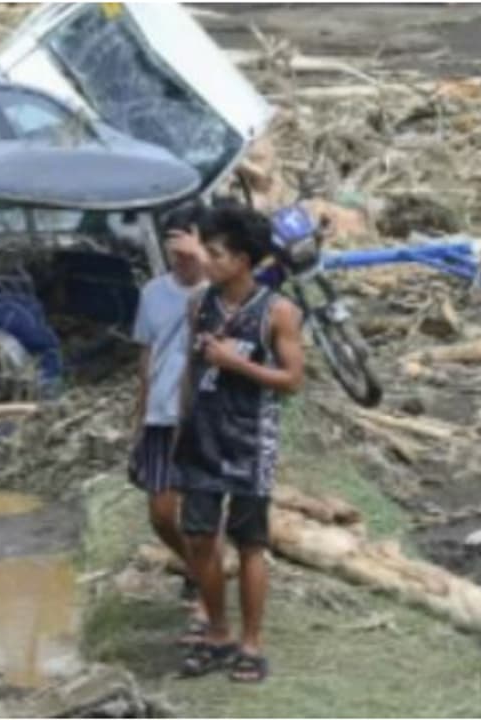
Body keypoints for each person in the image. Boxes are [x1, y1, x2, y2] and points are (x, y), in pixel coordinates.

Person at [175, 205, 305, 684]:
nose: (204, 260)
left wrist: (238, 364)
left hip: (251, 439)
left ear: (244, 260)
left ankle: (252, 643)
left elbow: (292, 380)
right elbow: (191, 371)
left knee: (250, 542)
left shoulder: (278, 311)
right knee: (198, 538)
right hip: (203, 436)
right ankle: (217, 632)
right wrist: (179, 425)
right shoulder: (200, 305)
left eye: (215, 253)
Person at [130, 207, 210, 644]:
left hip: (203, 421)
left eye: (187, 250)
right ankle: (201, 570)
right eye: (172, 251)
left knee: (200, 514)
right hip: (161, 415)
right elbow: (146, 356)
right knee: (161, 514)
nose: (180, 259)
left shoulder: (220, 293)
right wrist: (139, 418)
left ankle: (204, 604)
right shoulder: (152, 294)